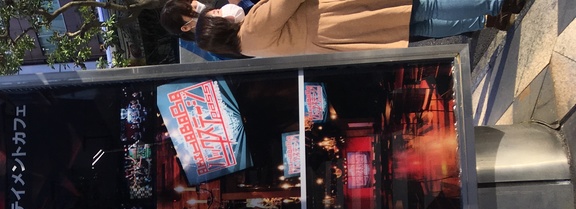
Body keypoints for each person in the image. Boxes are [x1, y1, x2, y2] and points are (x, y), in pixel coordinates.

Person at [192, 0, 525, 57]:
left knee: (417, 23)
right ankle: (496, 4)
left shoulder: (248, 46)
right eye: (217, 13)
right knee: (423, 7)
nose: (223, 10)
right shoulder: (251, 29)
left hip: (341, 30)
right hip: (343, 15)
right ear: (219, 27)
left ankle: (486, 18)